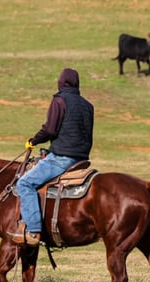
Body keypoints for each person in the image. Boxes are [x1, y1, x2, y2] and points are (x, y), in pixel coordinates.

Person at [7, 67, 94, 246]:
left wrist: (33, 140)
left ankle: (33, 230)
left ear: (61, 83)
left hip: (62, 158)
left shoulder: (60, 100)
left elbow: (50, 129)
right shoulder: (88, 105)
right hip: (82, 160)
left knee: (25, 183)